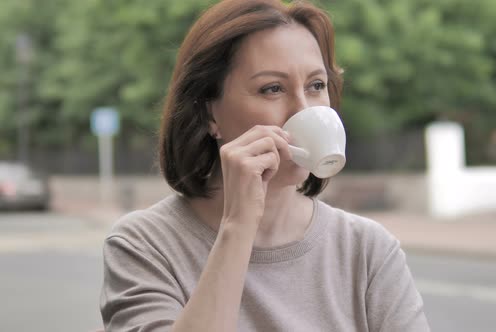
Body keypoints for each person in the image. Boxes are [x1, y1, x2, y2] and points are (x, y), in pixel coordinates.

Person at [99, 0, 430, 331]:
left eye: (316, 85)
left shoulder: (368, 249)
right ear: (209, 114)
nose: (302, 110)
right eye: (272, 89)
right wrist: (238, 225)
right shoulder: (144, 244)